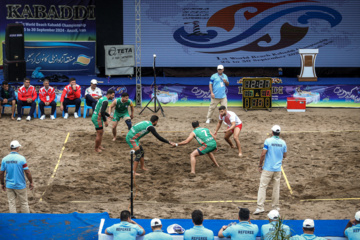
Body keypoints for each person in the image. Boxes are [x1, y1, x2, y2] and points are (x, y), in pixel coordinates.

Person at [254, 125, 287, 215]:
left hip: (268, 169)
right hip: (277, 169)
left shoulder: (268, 141)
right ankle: (275, 207)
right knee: (276, 188)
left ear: (272, 132)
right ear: (279, 133)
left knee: (262, 187)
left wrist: (260, 165)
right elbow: (284, 155)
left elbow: (263, 154)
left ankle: (260, 207)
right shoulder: (283, 143)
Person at [0, 140, 34, 213]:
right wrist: (31, 182)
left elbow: (1, 173)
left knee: (11, 203)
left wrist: (2, 183)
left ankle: (13, 220)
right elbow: (27, 172)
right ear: (17, 147)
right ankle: (26, 219)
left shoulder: (4, 159)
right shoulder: (21, 158)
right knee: (24, 203)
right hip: (20, 185)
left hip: (9, 185)